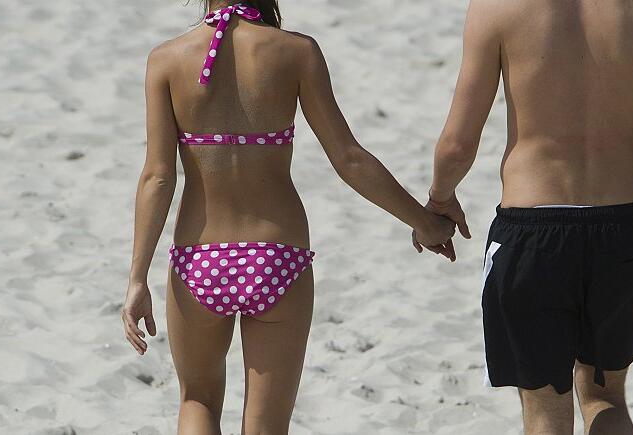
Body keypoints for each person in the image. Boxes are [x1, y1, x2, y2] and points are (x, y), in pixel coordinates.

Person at [120, 1, 455, 433]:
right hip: (277, 255)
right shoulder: (297, 52)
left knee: (197, 400)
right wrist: (423, 222)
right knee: (267, 426)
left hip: (199, 256)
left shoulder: (166, 59)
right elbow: (349, 158)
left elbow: (157, 177)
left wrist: (137, 277)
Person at [421, 1, 633, 434]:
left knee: (544, 412)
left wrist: (439, 198)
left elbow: (458, 143)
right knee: (605, 397)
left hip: (532, 232)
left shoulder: (496, 7)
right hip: (622, 230)